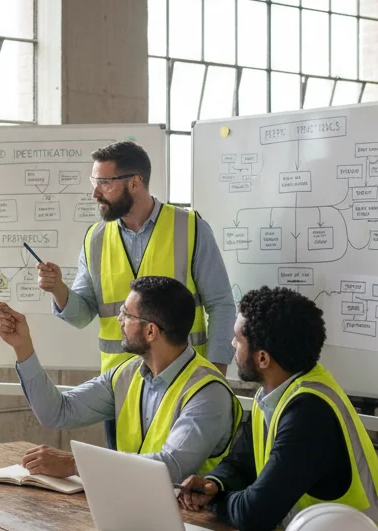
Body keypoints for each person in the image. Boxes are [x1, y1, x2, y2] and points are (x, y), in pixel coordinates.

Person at [35, 141, 235, 446]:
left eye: (104, 183)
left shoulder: (190, 228)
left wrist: (216, 372)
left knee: (179, 481)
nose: (95, 193)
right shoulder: (95, 239)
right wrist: (59, 290)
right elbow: (82, 314)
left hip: (183, 382)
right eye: (95, 182)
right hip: (120, 388)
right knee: (123, 481)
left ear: (135, 182)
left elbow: (221, 304)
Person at [178, 286, 378, 531]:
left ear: (262, 358)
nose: (232, 344)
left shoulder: (309, 413)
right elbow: (241, 462)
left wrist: (214, 500)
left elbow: (255, 515)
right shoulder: (275, 392)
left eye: (238, 340)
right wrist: (213, 484)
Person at [0, 276, 242, 482]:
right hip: (133, 509)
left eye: (126, 314)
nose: (119, 320)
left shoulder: (208, 392)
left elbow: (172, 466)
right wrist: (23, 347)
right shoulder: (127, 373)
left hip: (195, 527)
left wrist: (76, 463)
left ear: (150, 331)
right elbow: (57, 412)